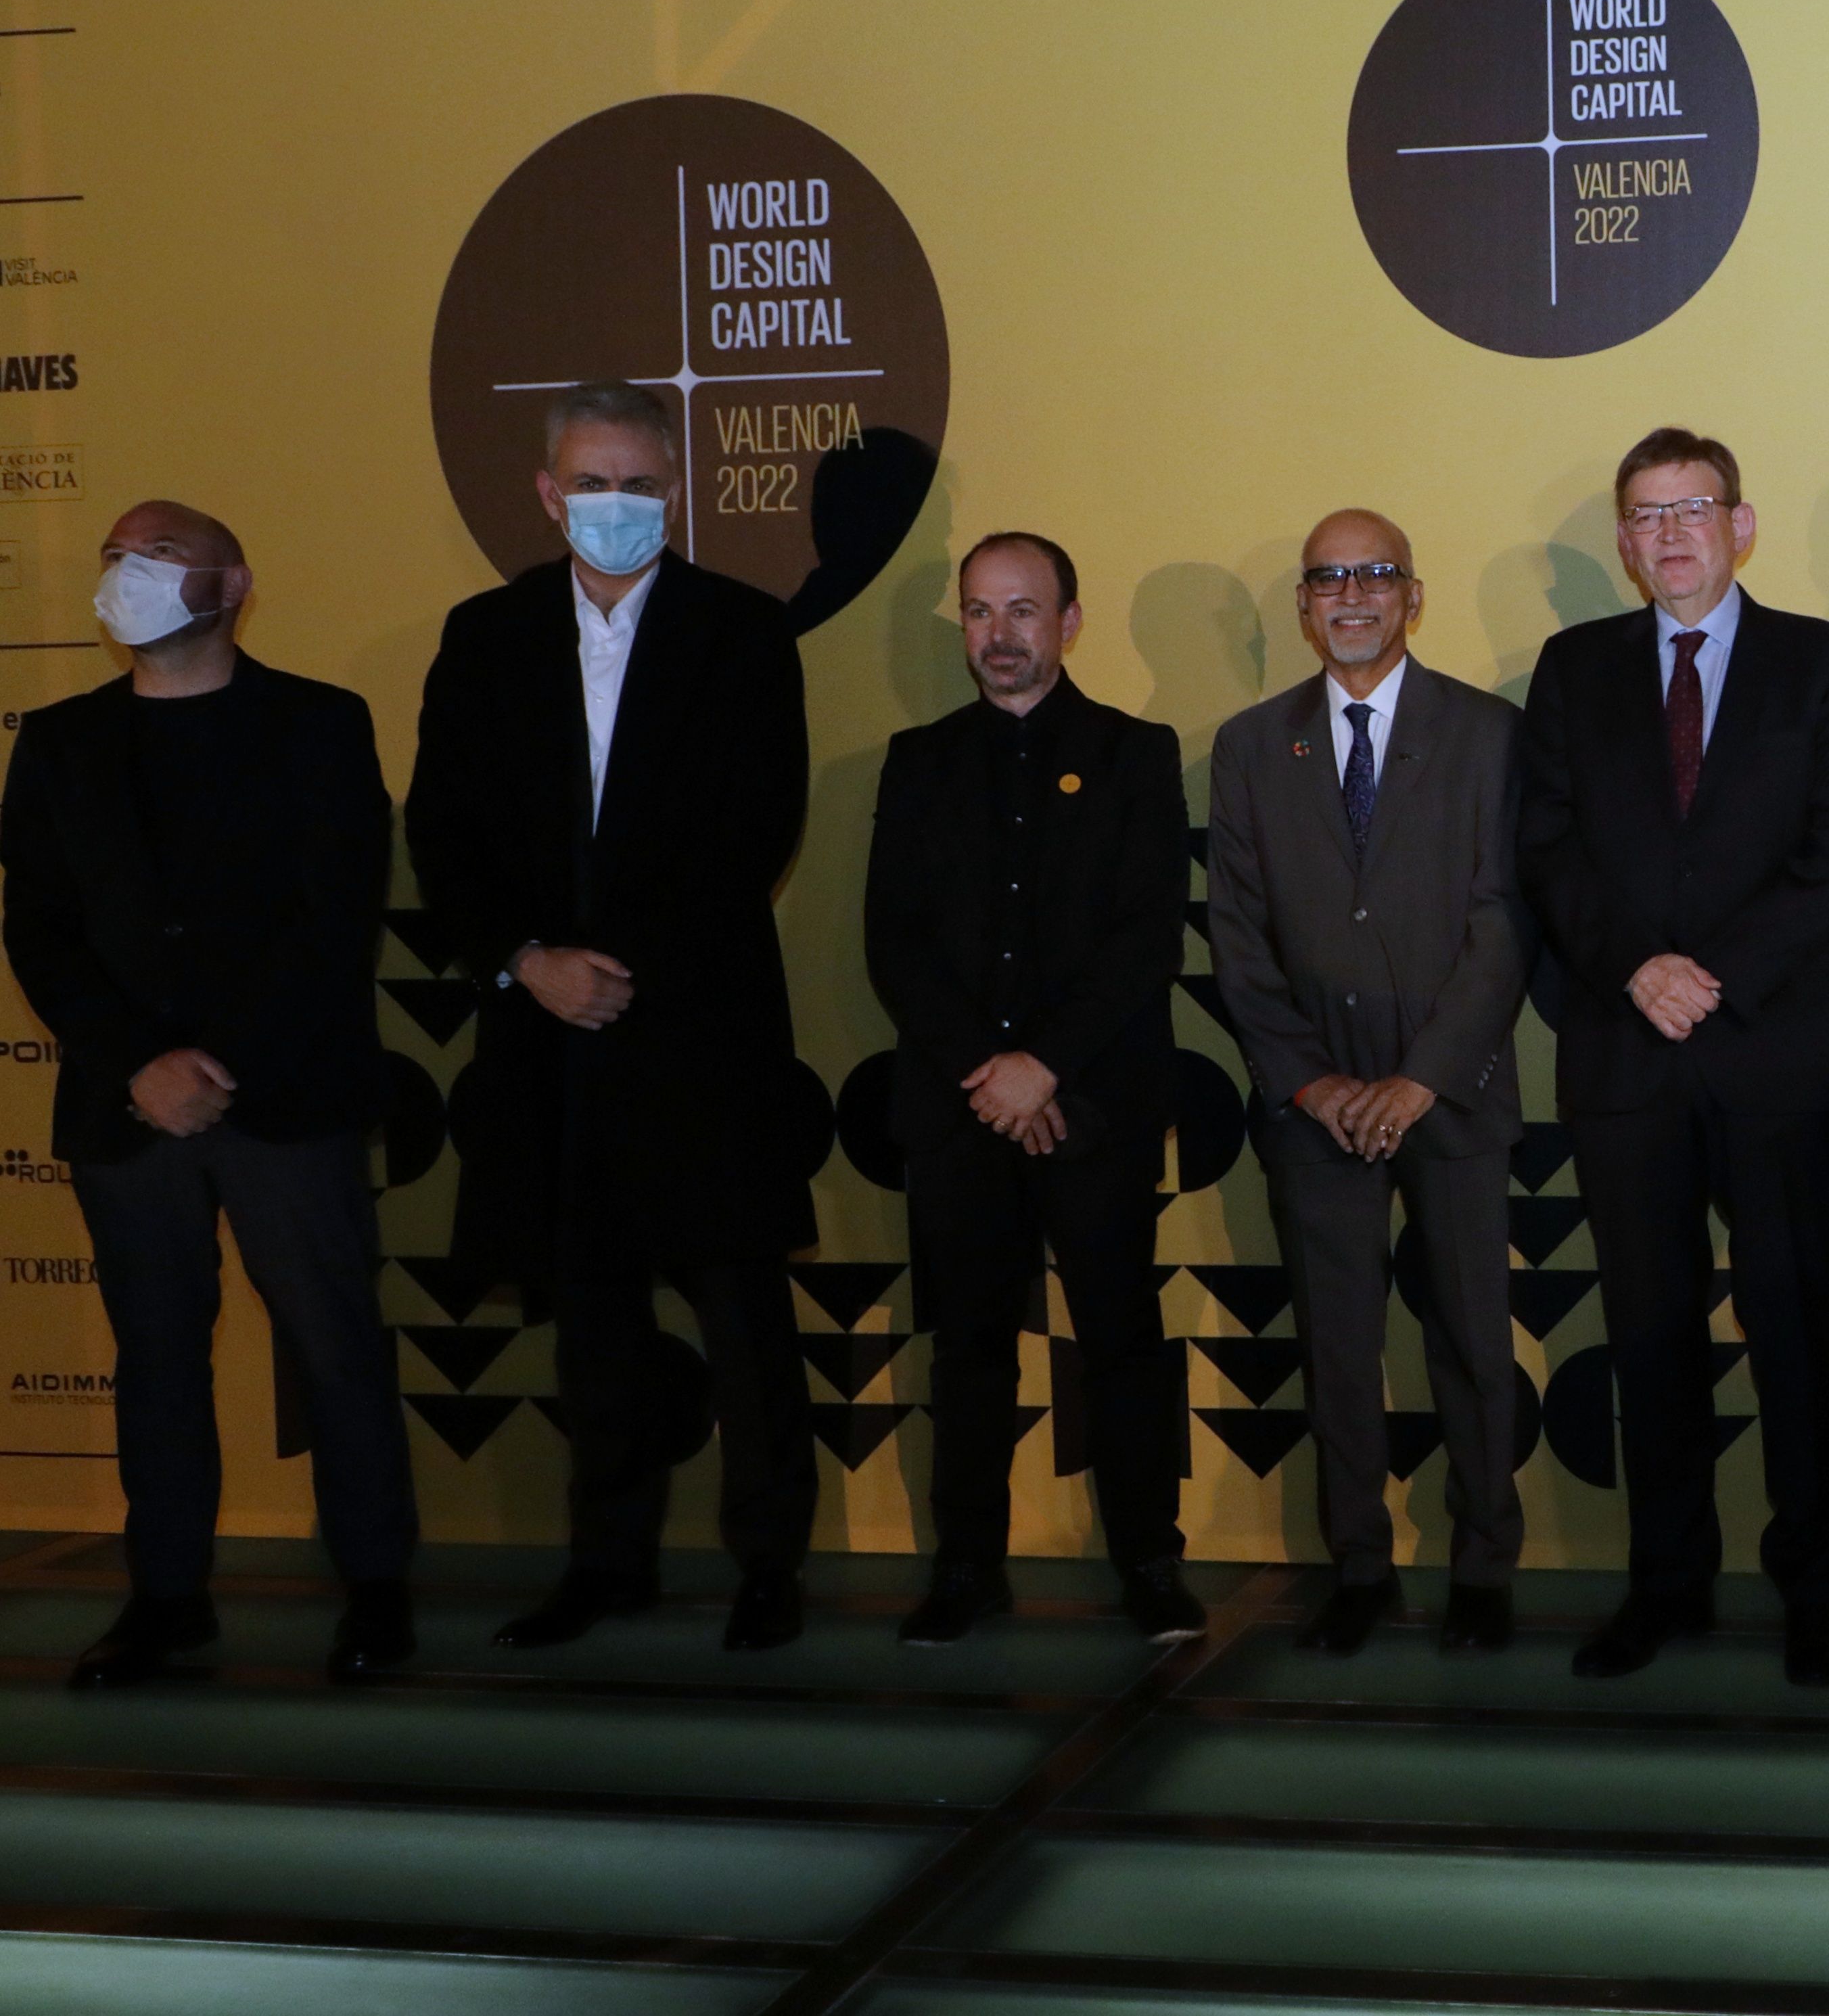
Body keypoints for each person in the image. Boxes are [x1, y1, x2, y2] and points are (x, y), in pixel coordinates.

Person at [407, 381, 821, 1653]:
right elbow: (444, 831)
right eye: (592, 482)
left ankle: (769, 1567)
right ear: (547, 493)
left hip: (697, 1031)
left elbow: (760, 824)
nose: (618, 506)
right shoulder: (482, 636)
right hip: (549, 1038)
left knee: (744, 1319)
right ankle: (607, 1561)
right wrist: (531, 961)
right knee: (589, 1321)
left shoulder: (747, 633)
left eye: (641, 483)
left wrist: (614, 964)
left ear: (677, 491)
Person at [1, 503, 417, 1689]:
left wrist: (209, 1063)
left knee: (336, 1346)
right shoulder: (62, 741)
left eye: (157, 558)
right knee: (158, 1356)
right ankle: (167, 1596)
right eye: (114, 559)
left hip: (285, 1096)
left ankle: (377, 1587)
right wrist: (137, 1061)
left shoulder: (321, 726)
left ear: (231, 584)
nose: (124, 577)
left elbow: (334, 918)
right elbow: (38, 924)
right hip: (125, 1112)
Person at [1519, 427, 1829, 1685]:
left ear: (1743, 522)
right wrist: (1638, 967)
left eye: (1694, 507)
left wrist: (1708, 975)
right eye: (1645, 514)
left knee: (1792, 1326)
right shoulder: (1570, 671)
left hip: (1773, 1049)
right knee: (1648, 1331)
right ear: (1623, 542)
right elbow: (1549, 847)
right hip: (1625, 1052)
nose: (1669, 532)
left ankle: (1813, 1586)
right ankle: (1666, 1581)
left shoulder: (1825, 664)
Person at [1207, 508, 1532, 1657]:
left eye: (1376, 574)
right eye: (1328, 578)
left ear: (1413, 594)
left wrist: (1419, 1080)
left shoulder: (1491, 733)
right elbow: (1237, 942)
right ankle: (1358, 1563)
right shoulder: (1250, 746)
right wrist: (1310, 1085)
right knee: (1337, 1347)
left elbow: (1503, 925)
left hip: (1452, 1098)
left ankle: (1484, 1562)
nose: (1352, 594)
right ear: (1302, 605)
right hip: (1315, 1111)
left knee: (1473, 1347)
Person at [866, 532, 1199, 1647]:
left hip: (1092, 1104)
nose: (998, 634)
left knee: (1119, 1337)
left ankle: (1151, 1562)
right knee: (966, 1347)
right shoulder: (916, 762)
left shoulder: (1135, 754)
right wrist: (991, 1071)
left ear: (1070, 620)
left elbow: (1145, 937)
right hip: (961, 1110)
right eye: (978, 612)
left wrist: (1043, 1065)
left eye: (1023, 610)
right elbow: (894, 944)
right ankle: (966, 1566)